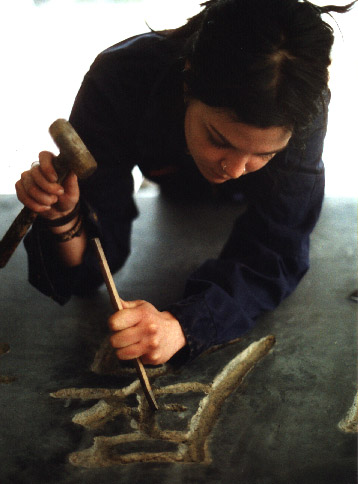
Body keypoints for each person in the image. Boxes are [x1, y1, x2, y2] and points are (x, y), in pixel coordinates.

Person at [16, 0, 355, 366]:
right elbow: (92, 266)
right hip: (173, 186)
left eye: (266, 154)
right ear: (189, 76)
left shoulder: (301, 107)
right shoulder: (122, 78)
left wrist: (181, 325)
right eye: (220, 140)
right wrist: (63, 216)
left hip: (259, 200)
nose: (236, 168)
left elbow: (276, 249)